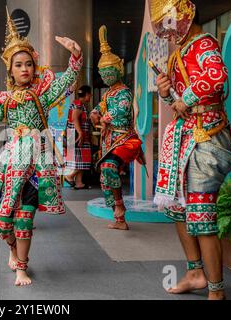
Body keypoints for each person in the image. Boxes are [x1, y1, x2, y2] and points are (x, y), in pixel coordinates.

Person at [0, 11, 83, 286]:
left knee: (25, 217)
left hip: (38, 162)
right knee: (4, 221)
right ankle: (13, 251)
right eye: (18, 65)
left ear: (33, 67)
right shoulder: (4, 100)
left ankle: (22, 267)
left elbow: (63, 84)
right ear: (11, 70)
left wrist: (75, 58)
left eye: (28, 63)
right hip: (11, 163)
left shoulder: (43, 94)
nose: (25, 68)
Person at [150, 0, 231, 300]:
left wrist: (184, 97)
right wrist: (166, 93)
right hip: (186, 138)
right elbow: (178, 103)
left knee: (201, 213)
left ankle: (217, 291)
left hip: (207, 138)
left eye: (169, 21)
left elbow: (217, 77)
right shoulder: (180, 53)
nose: (167, 29)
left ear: (184, 16)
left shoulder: (204, 44)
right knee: (179, 209)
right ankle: (195, 273)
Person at [90, 25, 144, 231]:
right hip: (109, 141)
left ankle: (120, 208)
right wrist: (95, 114)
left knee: (109, 168)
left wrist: (104, 118)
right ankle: (119, 219)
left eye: (109, 71)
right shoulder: (107, 94)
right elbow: (97, 109)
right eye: (102, 72)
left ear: (119, 70)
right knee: (105, 177)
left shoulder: (125, 92)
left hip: (125, 139)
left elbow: (121, 111)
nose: (105, 75)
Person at [64, 85, 93, 189]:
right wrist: (80, 133)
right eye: (90, 94)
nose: (90, 97)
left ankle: (79, 183)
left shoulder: (77, 103)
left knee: (80, 160)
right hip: (77, 136)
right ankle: (69, 176)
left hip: (73, 135)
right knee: (84, 160)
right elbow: (75, 118)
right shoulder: (79, 104)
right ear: (87, 94)